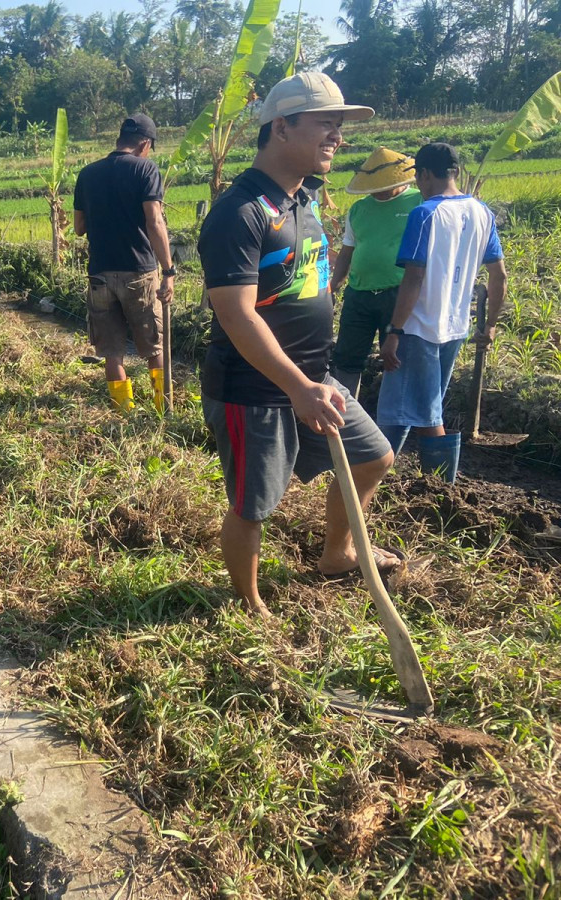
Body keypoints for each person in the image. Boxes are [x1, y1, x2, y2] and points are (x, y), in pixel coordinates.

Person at [197, 72, 397, 618]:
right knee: (253, 505)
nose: (338, 136)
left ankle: (338, 553)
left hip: (313, 376)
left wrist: (311, 383)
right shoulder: (240, 212)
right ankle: (249, 603)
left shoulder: (301, 200)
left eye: (339, 126)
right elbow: (236, 315)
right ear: (281, 128)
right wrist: (298, 388)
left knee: (374, 456)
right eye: (325, 123)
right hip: (253, 388)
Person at [375, 142, 507, 483]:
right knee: (404, 408)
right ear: (456, 172)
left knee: (422, 411)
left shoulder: (426, 214)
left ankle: (441, 488)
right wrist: (489, 325)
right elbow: (499, 275)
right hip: (455, 327)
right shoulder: (482, 212)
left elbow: (414, 278)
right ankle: (378, 477)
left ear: (424, 174)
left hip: (419, 327)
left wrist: (394, 331)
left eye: (418, 178)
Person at [72, 113, 176, 413]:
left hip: (100, 275)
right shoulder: (145, 169)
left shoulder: (88, 174)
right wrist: (168, 270)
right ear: (145, 144)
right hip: (139, 273)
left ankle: (123, 413)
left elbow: (78, 227)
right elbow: (154, 221)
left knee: (112, 353)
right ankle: (163, 410)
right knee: (154, 347)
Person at [328, 147, 422, 398]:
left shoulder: (419, 202)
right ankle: (346, 411)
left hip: (399, 293)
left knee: (395, 357)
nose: (377, 191)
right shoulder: (358, 210)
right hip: (359, 293)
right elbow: (347, 252)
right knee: (347, 357)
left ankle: (393, 414)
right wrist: (333, 286)